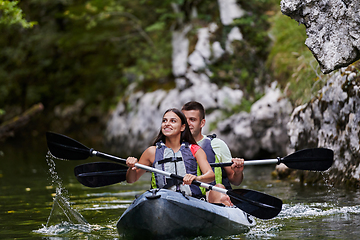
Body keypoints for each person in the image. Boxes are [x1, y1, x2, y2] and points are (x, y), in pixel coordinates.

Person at [126, 108, 215, 198]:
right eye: (164, 121)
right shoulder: (152, 151)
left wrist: (196, 178)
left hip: (191, 200)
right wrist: (131, 168)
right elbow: (131, 180)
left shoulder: (195, 149)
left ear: (182, 127)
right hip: (162, 199)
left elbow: (210, 175)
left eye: (173, 121)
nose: (167, 124)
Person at [181, 101, 244, 206]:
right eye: (184, 120)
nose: (188, 124)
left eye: (192, 119)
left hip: (213, 197)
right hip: (185, 198)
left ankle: (226, 204)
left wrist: (237, 172)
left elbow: (235, 181)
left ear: (202, 123)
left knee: (219, 188)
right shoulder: (172, 147)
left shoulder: (217, 145)